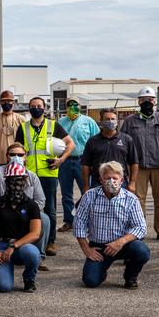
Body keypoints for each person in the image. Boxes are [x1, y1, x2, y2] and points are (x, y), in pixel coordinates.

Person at [73, 161, 151, 289]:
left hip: (123, 245)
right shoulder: (89, 196)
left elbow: (141, 227)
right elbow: (78, 223)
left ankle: (130, 276)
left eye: (114, 178)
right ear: (100, 180)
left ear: (121, 180)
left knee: (142, 251)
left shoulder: (131, 199)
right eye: (107, 178)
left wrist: (120, 242)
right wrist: (86, 249)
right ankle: (101, 271)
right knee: (90, 281)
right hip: (99, 247)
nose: (111, 181)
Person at [120, 86, 159, 243]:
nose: (147, 102)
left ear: (155, 101)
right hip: (137, 167)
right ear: (139, 101)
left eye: (150, 99)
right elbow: (123, 143)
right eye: (144, 100)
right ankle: (138, 231)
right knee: (138, 200)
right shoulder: (129, 122)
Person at [13, 96, 73, 255]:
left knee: (50, 209)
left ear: (44, 108)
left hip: (49, 174)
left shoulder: (54, 126)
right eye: (33, 106)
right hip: (29, 175)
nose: (36, 108)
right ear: (29, 108)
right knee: (27, 208)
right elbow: (18, 148)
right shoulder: (23, 127)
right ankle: (30, 239)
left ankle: (50, 242)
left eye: (39, 105)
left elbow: (70, 144)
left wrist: (61, 160)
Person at [0, 141, 52, 270]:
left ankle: (39, 256)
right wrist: (10, 210)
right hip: (3, 212)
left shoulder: (32, 176)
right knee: (3, 286)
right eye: (12, 154)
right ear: (7, 156)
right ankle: (0, 252)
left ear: (26, 157)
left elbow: (41, 200)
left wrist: (29, 211)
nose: (16, 157)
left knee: (43, 219)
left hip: (27, 213)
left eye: (20, 155)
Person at [0, 162, 43, 293]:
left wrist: (13, 246)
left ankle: (29, 279)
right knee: (4, 287)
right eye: (12, 180)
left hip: (21, 246)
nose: (16, 184)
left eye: (20, 180)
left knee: (33, 253)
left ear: (25, 181)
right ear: (6, 181)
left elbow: (35, 233)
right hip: (1, 245)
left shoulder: (31, 205)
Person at [57, 99, 99, 233]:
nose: (72, 107)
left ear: (80, 106)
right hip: (65, 161)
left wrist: (94, 161)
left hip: (83, 162)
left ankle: (87, 220)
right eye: (69, 105)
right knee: (66, 193)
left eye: (75, 105)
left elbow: (96, 140)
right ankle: (69, 221)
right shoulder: (60, 122)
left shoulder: (88, 121)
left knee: (87, 192)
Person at [81, 110, 138, 192]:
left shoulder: (127, 139)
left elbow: (134, 162)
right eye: (107, 119)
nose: (110, 121)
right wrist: (86, 185)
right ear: (101, 121)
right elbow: (85, 164)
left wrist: (132, 182)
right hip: (98, 183)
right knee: (99, 205)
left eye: (113, 119)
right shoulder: (92, 141)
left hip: (120, 183)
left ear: (117, 121)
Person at [0, 88, 26, 165]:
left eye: (9, 101)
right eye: (3, 101)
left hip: (17, 161)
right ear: (0, 103)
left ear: (13, 102)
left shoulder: (21, 119)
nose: (6, 103)